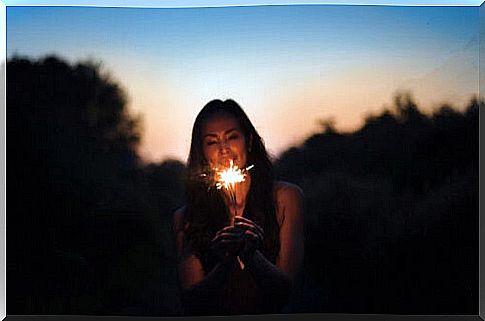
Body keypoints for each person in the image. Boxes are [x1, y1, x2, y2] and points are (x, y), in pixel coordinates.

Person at [173, 99, 304, 315]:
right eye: (212, 142)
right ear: (202, 152)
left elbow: (284, 292)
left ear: (249, 140)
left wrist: (252, 256)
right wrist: (224, 263)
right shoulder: (187, 217)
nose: (224, 149)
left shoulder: (286, 199)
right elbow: (191, 302)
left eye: (232, 137)